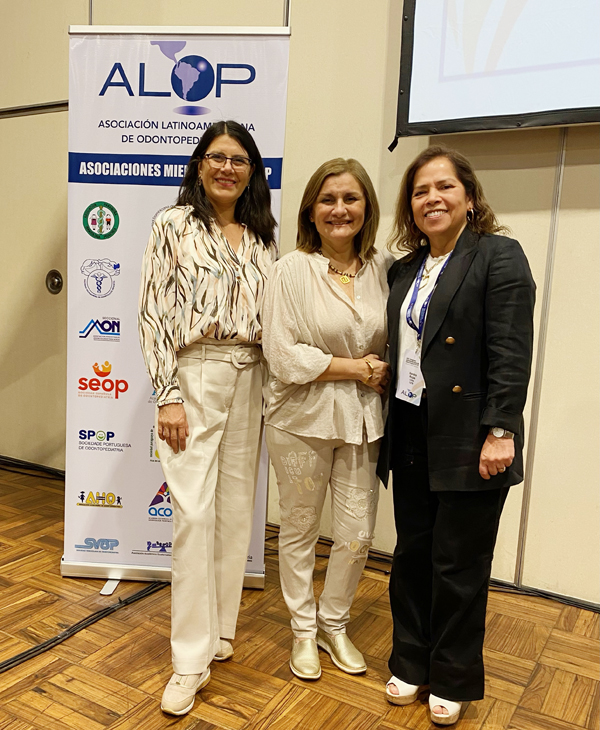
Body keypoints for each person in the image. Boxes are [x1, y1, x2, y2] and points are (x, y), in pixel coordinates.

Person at [378, 146, 535, 725]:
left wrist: (501, 429)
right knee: (413, 553)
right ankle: (411, 661)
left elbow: (511, 352)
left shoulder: (498, 256)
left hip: (472, 435)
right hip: (412, 427)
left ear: (469, 197)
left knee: (458, 563)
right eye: (420, 191)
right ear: (411, 206)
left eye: (444, 187)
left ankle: (452, 674)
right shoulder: (403, 269)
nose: (432, 199)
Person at [138, 120, 277, 716]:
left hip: (252, 376)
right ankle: (187, 661)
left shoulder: (264, 238)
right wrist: (167, 392)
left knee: (232, 512)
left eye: (239, 159)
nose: (227, 167)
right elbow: (151, 312)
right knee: (192, 517)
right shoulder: (173, 225)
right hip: (193, 376)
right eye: (217, 157)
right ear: (199, 165)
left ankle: (220, 631)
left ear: (252, 171)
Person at [262, 158, 392, 681]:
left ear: (367, 208)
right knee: (297, 529)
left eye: (351, 199)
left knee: (357, 534)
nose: (340, 209)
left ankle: (333, 622)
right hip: (300, 418)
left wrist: (379, 373)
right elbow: (282, 352)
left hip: (364, 420)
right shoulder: (292, 269)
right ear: (311, 212)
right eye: (328, 200)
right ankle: (301, 630)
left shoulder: (385, 267)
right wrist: (357, 368)